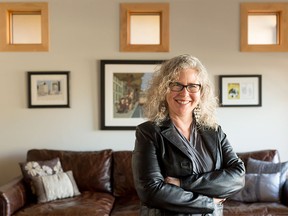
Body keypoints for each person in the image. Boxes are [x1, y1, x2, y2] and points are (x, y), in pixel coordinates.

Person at [132, 54, 245, 216]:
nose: (185, 94)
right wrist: (208, 202)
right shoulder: (148, 132)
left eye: (193, 86)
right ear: (163, 89)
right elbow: (151, 191)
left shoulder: (215, 132)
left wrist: (181, 183)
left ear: (201, 92)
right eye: (176, 85)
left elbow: (237, 178)